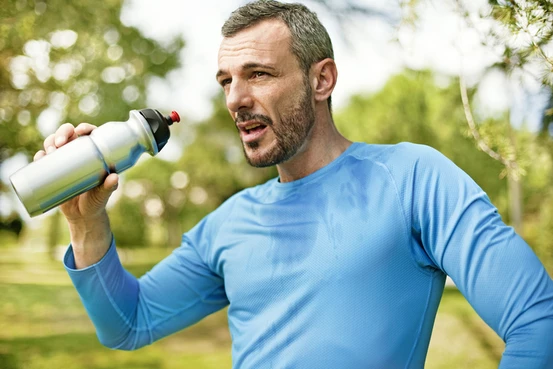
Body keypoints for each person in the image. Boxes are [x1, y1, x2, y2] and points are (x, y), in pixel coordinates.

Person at [35, 1, 553, 368]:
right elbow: (128, 324)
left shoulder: (413, 179)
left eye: (257, 74)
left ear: (321, 80)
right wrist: (87, 223)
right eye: (226, 81)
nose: (235, 97)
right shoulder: (229, 224)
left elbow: (537, 321)